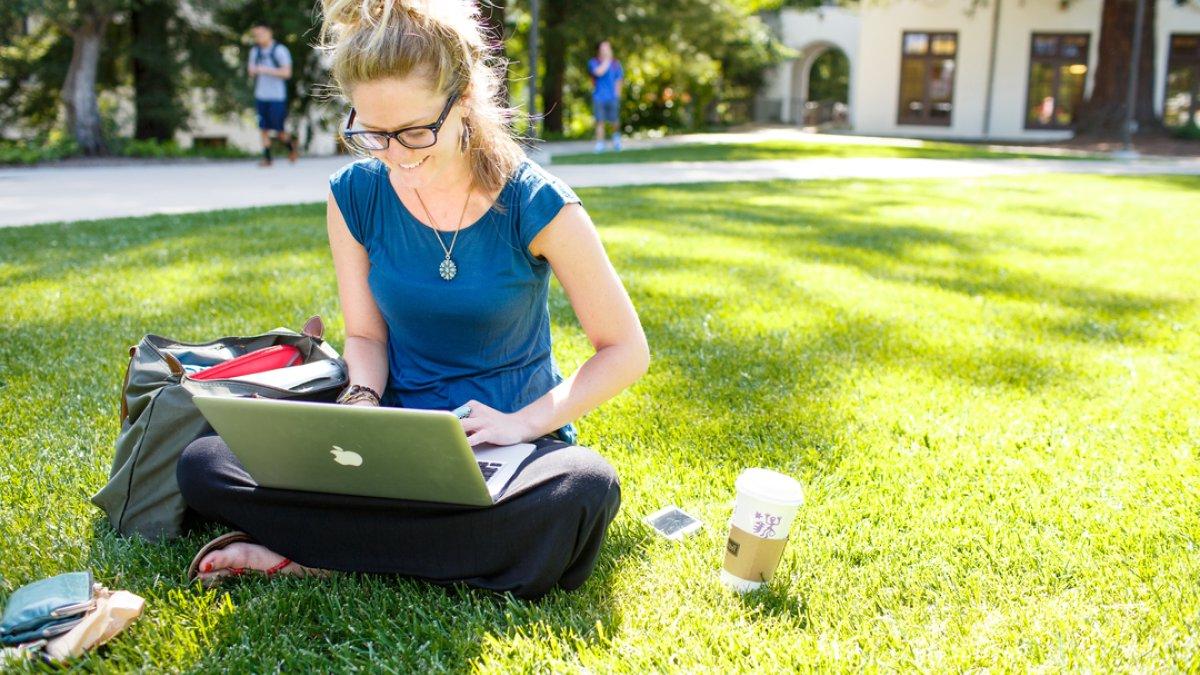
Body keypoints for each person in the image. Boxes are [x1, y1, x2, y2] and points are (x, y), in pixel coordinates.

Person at [175, 0, 650, 601]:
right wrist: (361, 399)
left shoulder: (538, 202)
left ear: (467, 100)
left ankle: (321, 554)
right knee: (205, 463)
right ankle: (434, 552)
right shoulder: (354, 194)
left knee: (584, 490)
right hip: (390, 440)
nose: (397, 154)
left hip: (509, 448)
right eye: (373, 133)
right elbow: (367, 338)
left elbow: (625, 350)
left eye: (415, 132)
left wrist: (521, 424)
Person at [248, 22, 298, 166]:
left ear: (269, 33)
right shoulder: (255, 52)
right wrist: (253, 71)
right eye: (256, 35)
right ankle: (267, 158)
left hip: (277, 97)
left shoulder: (280, 50)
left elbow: (287, 73)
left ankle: (291, 148)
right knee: (263, 128)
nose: (258, 37)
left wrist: (265, 70)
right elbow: (251, 71)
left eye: (261, 34)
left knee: (279, 131)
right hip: (261, 95)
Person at [587, 40, 624, 153]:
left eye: (607, 48)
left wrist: (617, 94)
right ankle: (600, 143)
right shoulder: (594, 62)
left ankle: (616, 139)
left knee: (614, 121)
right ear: (599, 50)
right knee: (600, 121)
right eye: (603, 48)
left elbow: (619, 80)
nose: (605, 50)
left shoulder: (616, 64)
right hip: (599, 97)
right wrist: (607, 60)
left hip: (612, 97)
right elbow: (599, 73)